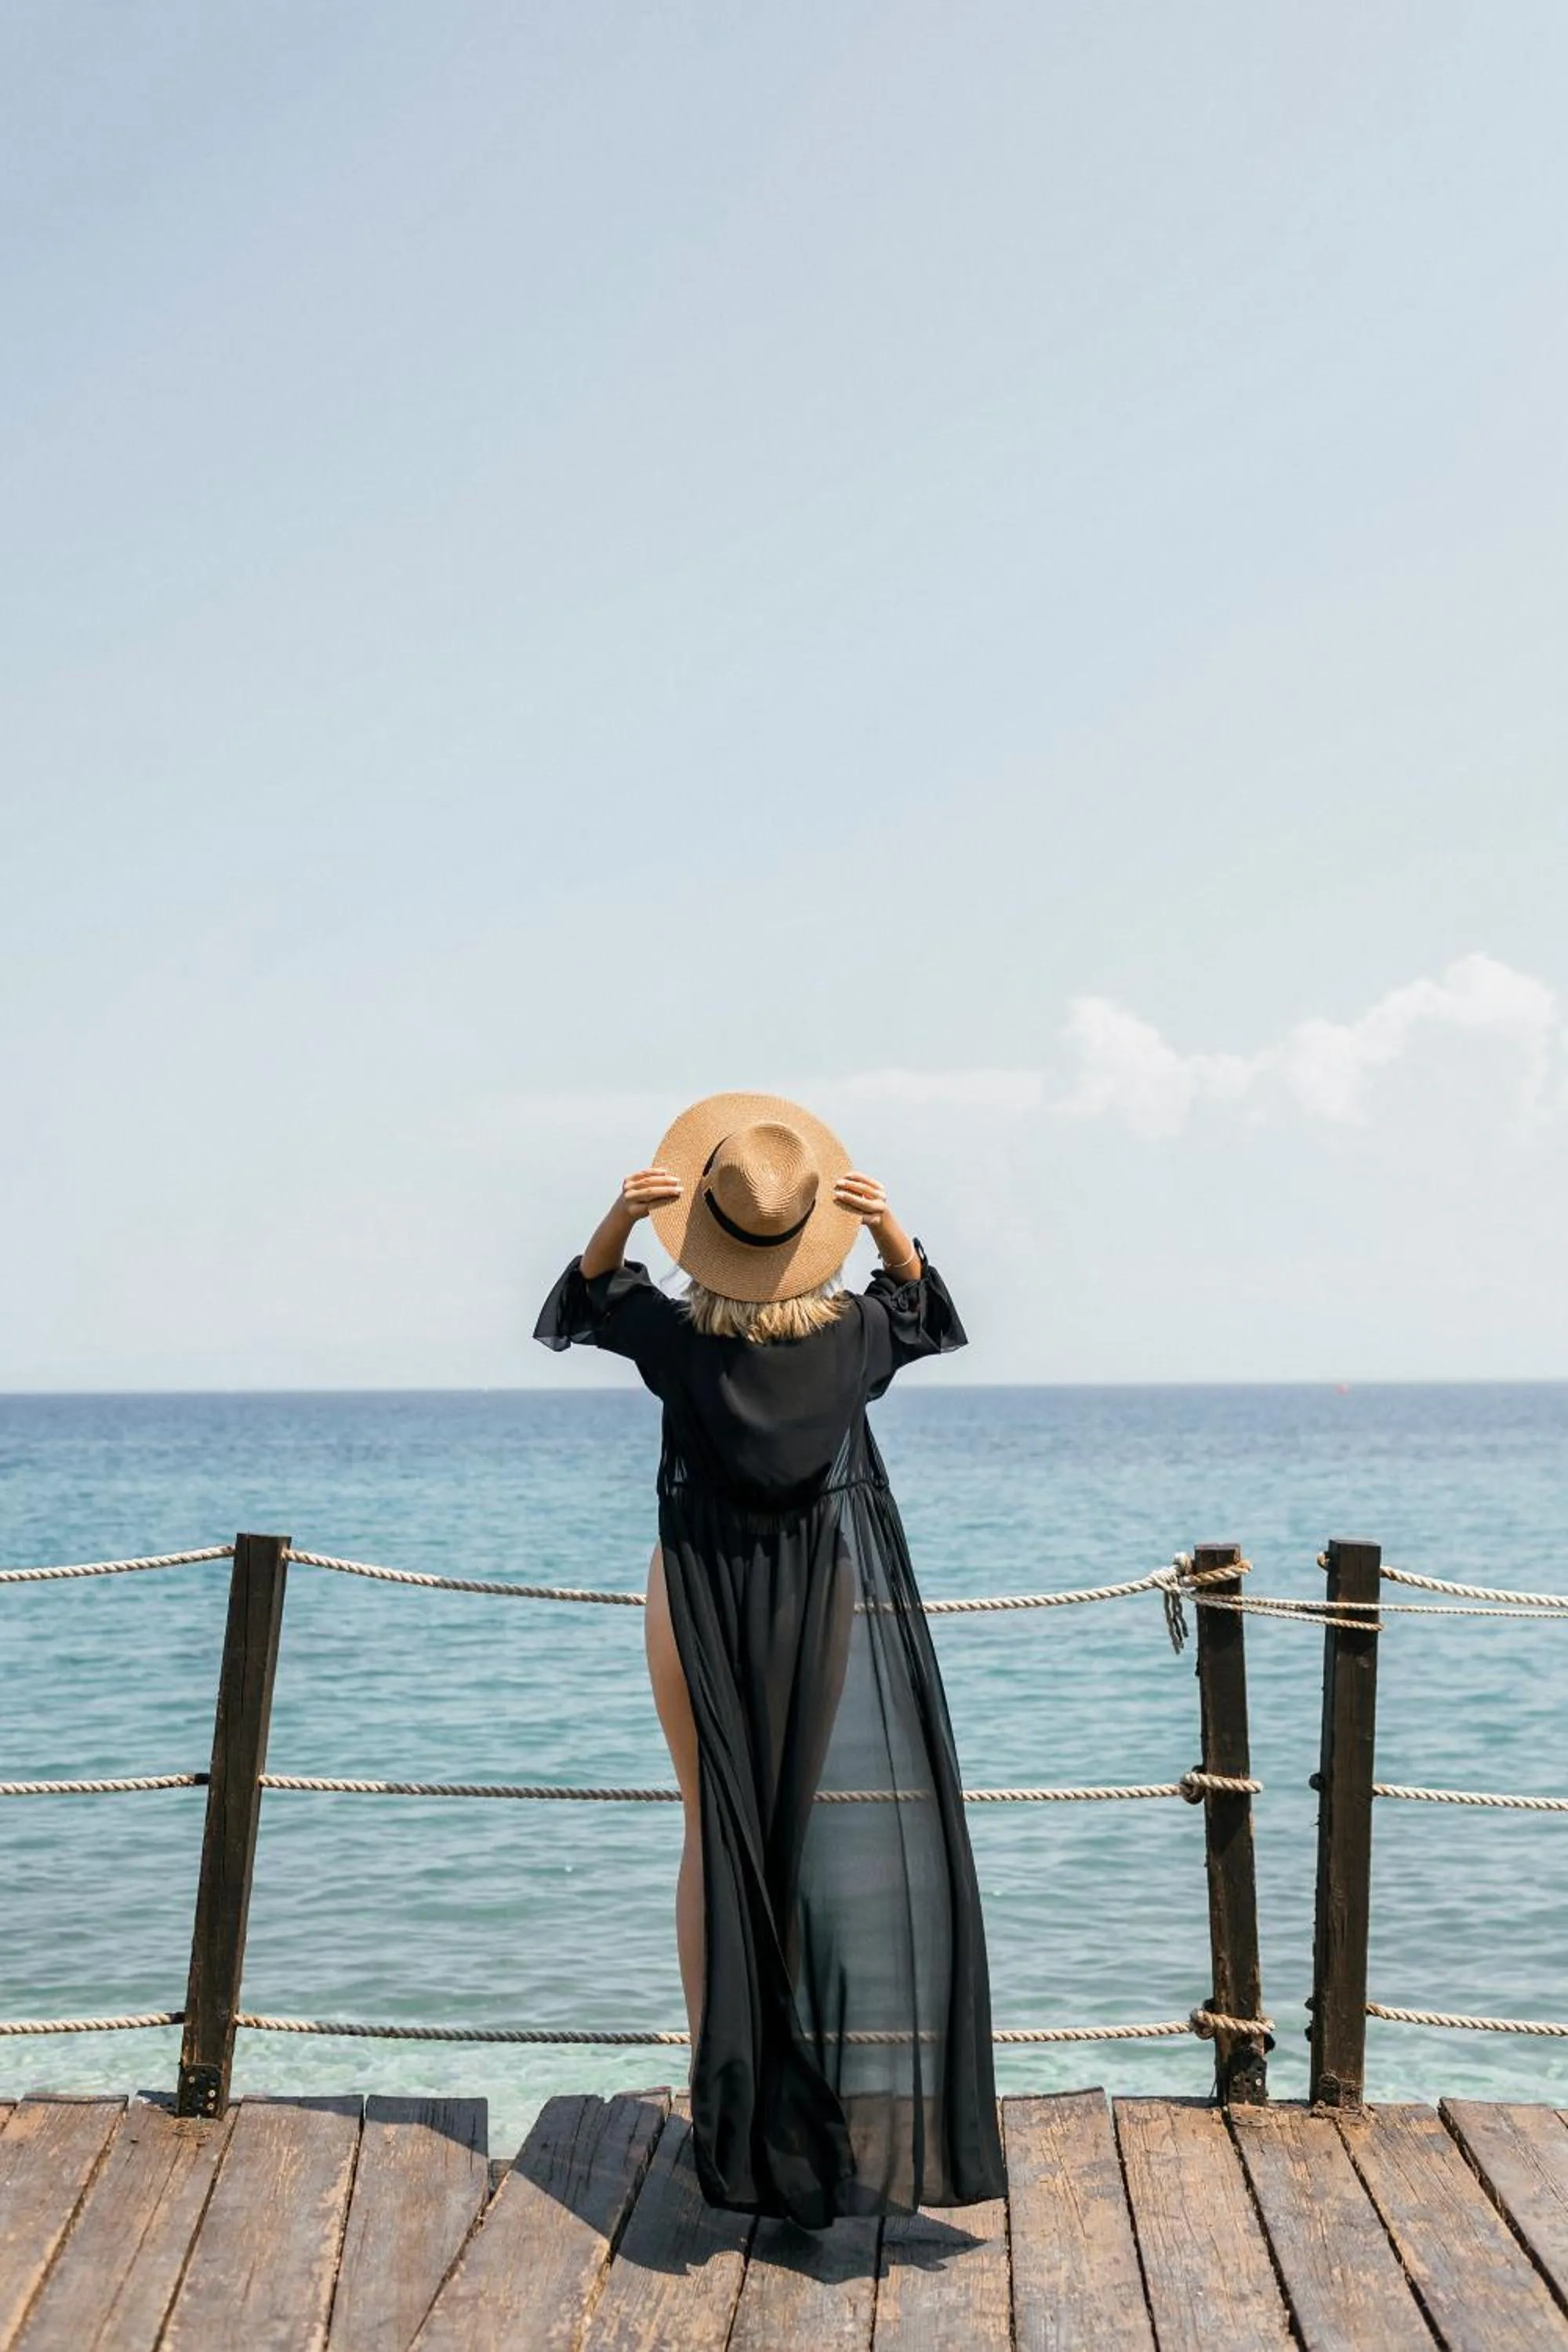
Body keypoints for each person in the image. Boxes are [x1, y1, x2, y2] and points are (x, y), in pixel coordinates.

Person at [535, 1091, 1005, 2227]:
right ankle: (796, 2075)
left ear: (710, 1226)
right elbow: (929, 1310)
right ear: (813, 1231)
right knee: (786, 1826)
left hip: (694, 1586)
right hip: (814, 1592)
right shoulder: (851, 1345)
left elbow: (584, 1303)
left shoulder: (676, 1341)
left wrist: (616, 1214)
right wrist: (888, 1225)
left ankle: (724, 2089)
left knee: (711, 1826)